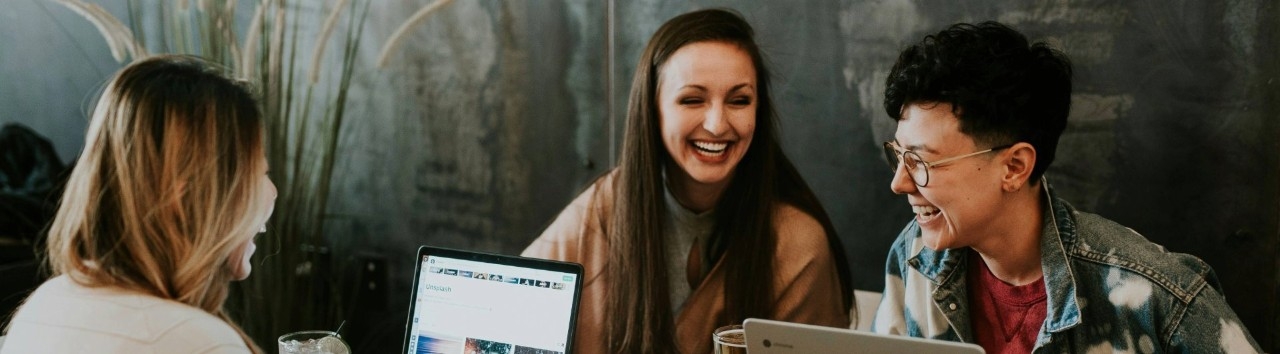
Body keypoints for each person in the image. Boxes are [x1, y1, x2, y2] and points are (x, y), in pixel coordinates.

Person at [871, 21, 1262, 353]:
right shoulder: (914, 256)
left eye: (921, 162)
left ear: (1014, 167)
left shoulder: (1156, 296)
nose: (899, 182)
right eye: (898, 155)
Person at [522, 8, 851, 354]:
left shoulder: (797, 244)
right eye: (692, 99)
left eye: (739, 100)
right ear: (652, 109)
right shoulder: (602, 208)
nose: (717, 124)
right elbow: (510, 316)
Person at [1, 55, 275, 353]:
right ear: (185, 197)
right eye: (260, 173)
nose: (272, 192)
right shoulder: (198, 343)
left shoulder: (43, 306)